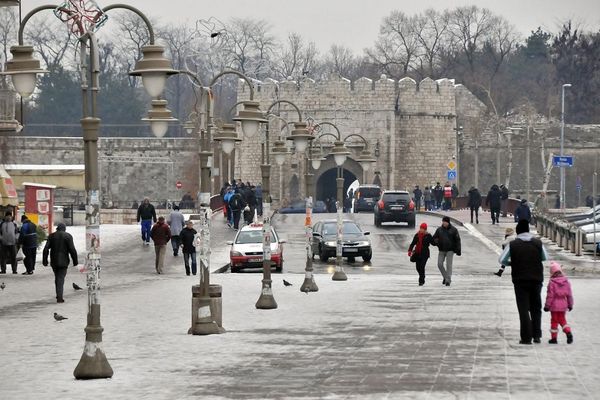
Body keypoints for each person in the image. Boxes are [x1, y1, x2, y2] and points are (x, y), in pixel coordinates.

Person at [498, 219, 548, 344]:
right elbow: (544, 258)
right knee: (536, 307)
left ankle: (526, 337)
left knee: (523, 309)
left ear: (518, 231)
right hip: (536, 279)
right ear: (528, 230)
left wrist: (511, 263)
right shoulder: (538, 243)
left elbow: (502, 259)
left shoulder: (513, 244)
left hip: (520, 280)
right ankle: (537, 335)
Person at [42, 223, 78, 303]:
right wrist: (75, 261)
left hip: (54, 261)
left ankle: (58, 294)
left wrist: (45, 260)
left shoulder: (51, 236)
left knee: (57, 277)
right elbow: (72, 249)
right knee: (60, 278)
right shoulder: (68, 236)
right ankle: (60, 297)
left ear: (57, 228)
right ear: (64, 229)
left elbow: (46, 249)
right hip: (64, 261)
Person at [544, 261, 574, 344]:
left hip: (554, 306)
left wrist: (547, 306)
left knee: (554, 321)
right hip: (563, 305)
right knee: (563, 320)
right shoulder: (566, 282)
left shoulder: (552, 282)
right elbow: (569, 295)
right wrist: (570, 304)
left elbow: (550, 296)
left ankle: (554, 338)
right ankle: (568, 332)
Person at [432, 216, 461, 286]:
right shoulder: (439, 230)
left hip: (450, 250)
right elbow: (434, 238)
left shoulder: (454, 230)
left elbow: (458, 240)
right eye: (443, 221)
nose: (443, 223)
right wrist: (436, 242)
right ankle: (446, 277)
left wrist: (458, 250)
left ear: (448, 222)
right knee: (439, 264)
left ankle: (448, 280)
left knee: (449, 265)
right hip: (441, 249)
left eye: (445, 222)